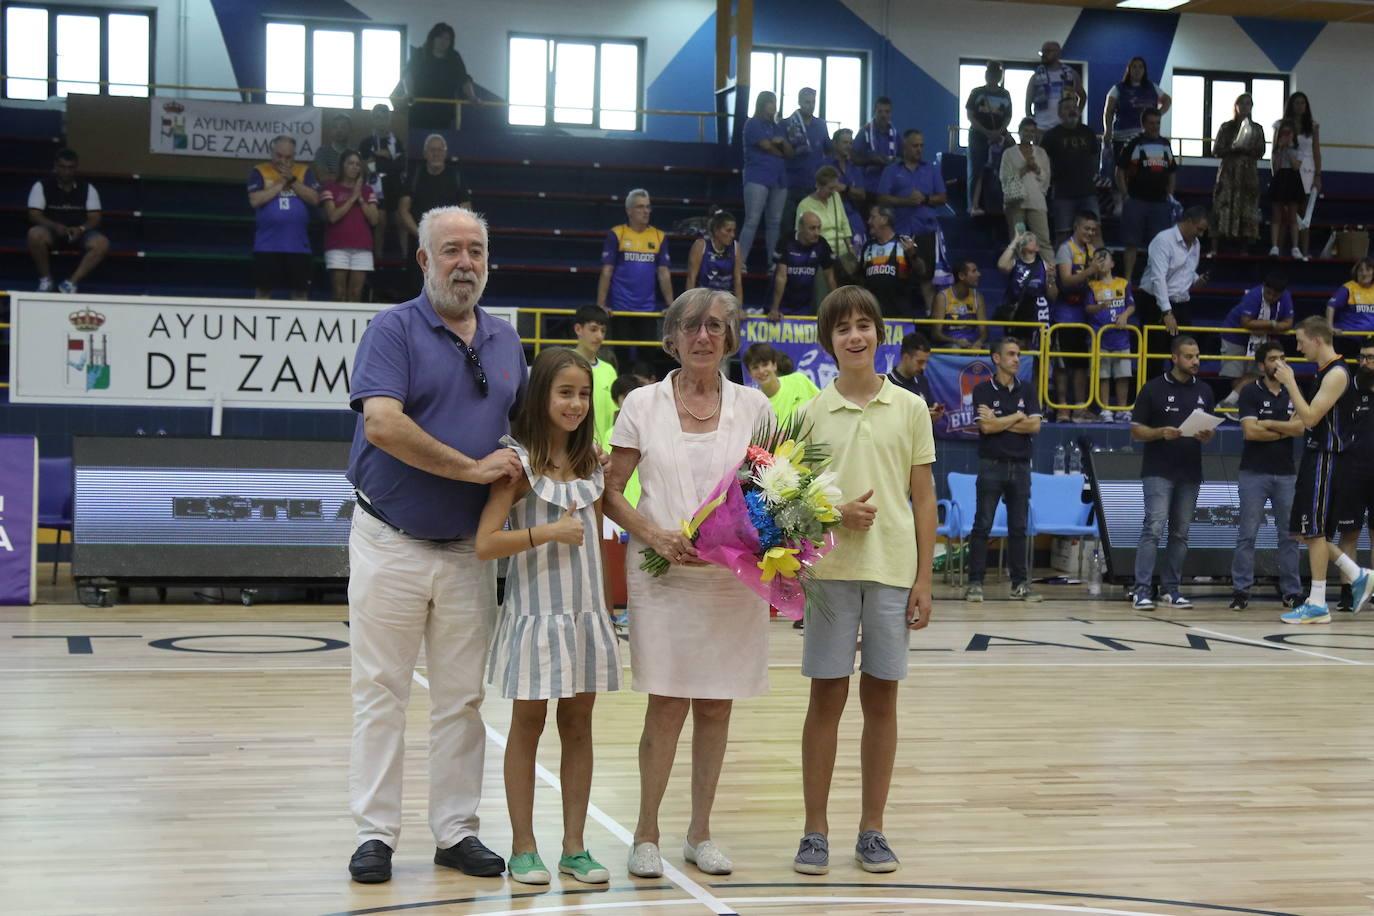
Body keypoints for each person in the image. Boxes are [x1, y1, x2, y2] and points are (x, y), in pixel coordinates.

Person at [344, 206, 527, 885]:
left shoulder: (508, 342)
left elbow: (531, 435)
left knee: (461, 699)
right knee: (381, 691)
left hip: (465, 551)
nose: (466, 263)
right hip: (389, 540)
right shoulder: (392, 330)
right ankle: (374, 834)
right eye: (451, 250)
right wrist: (471, 469)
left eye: (476, 250)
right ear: (423, 260)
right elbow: (384, 425)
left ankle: (455, 831)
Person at [603, 288, 774, 880]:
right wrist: (653, 534)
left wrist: (752, 542)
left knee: (717, 707)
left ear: (730, 338)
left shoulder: (756, 406)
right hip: (663, 578)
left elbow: (772, 493)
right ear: (671, 338)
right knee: (667, 703)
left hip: (732, 582)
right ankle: (645, 833)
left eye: (717, 326)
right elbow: (611, 490)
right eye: (692, 326)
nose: (704, 336)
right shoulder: (642, 405)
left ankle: (700, 832)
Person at [793, 285, 936, 877]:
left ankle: (872, 830)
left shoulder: (910, 408)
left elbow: (923, 498)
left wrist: (925, 579)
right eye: (844, 327)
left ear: (880, 332)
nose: (856, 335)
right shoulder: (807, 413)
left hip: (891, 571)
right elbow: (790, 505)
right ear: (828, 342)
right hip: (828, 574)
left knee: (883, 700)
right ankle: (815, 831)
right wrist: (834, 515)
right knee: (826, 698)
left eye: (865, 325)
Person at [475, 347, 621, 887]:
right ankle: (523, 846)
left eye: (584, 394)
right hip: (535, 617)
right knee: (528, 726)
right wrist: (545, 533)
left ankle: (575, 848)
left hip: (586, 616)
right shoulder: (516, 463)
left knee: (579, 727)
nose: (577, 403)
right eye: (566, 392)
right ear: (541, 396)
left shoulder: (591, 463)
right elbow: (486, 544)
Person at [1274, 316, 1371, 624]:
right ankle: (1356, 575)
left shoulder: (1337, 373)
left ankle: (1319, 602)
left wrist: (1289, 383)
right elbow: (1306, 421)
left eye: (1301, 341)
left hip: (1328, 458)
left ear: (1317, 340)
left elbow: (1311, 418)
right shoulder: (1325, 373)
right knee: (1309, 532)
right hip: (1317, 455)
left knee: (1314, 530)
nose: (1298, 347)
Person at [1129, 335, 1216, 610]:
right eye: (1189, 357)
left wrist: (1206, 435)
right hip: (1159, 469)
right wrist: (1160, 433)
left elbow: (1210, 431)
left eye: (1198, 356)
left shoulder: (1204, 391)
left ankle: (1171, 589)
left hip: (1190, 470)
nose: (1195, 362)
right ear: (1174, 358)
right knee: (1154, 528)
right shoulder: (1153, 388)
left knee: (1180, 533)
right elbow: (1136, 430)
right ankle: (1141, 590)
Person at [965, 336, 1042, 602]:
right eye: (1010, 354)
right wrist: (1017, 417)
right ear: (996, 359)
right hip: (992, 465)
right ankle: (975, 583)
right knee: (982, 525)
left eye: (1018, 354)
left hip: (1021, 466)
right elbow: (985, 428)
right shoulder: (982, 390)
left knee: (1018, 527)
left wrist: (1001, 421)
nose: (1016, 359)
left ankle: (1020, 584)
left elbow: (1035, 427)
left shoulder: (1028, 390)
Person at [1230, 342, 1304, 612]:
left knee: (1289, 536)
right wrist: (1286, 429)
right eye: (1274, 358)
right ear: (1261, 365)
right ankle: (1241, 590)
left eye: (1283, 357)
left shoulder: (1293, 390)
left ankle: (1292, 591)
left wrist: (1270, 424)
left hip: (1286, 473)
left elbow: (1300, 428)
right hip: (1254, 472)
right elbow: (1250, 432)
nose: (1280, 362)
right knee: (1247, 535)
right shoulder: (1250, 391)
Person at [876, 130, 946, 312]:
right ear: (904, 147)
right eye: (915, 146)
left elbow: (942, 197)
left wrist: (924, 199)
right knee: (900, 279)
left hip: (926, 232)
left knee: (927, 280)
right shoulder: (892, 170)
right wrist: (906, 201)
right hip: (900, 233)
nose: (919, 149)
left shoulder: (931, 169)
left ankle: (932, 324)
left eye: (922, 145)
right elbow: (882, 198)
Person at [247, 135, 321, 300]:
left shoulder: (303, 171)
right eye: (279, 156)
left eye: (288, 157)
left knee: (300, 293)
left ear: (294, 155)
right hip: (267, 245)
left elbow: (315, 199)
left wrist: (292, 181)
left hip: (298, 245)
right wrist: (280, 183)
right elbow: (255, 200)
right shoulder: (260, 171)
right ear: (272, 153)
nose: (283, 161)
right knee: (263, 292)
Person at [1330, 338, 1374, 614]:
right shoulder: (1347, 389)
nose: (1365, 362)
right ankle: (1348, 590)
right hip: (1351, 470)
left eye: (1370, 357)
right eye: (1362, 357)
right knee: (1350, 532)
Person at [1138, 207, 1209, 376]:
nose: (1200, 234)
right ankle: (1151, 399)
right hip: (1155, 302)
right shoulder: (1163, 240)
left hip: (1182, 304)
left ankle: (1180, 396)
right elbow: (1158, 278)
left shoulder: (1196, 244)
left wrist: (1197, 281)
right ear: (1189, 221)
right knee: (1154, 356)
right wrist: (1166, 311)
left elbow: (1187, 271)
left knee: (1185, 354)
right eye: (1199, 229)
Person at [27, 148, 108, 293]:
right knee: (34, 234)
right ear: (56, 167)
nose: (66, 172)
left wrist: (81, 229)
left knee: (102, 243)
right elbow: (34, 214)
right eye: (63, 167)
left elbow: (95, 218)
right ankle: (46, 280)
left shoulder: (88, 188)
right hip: (52, 232)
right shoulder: (41, 186)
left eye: (70, 168)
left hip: (80, 234)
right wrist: (54, 226)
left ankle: (71, 283)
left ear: (76, 168)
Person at [1116, 108, 1178, 283]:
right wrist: (1125, 195)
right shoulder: (1133, 143)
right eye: (1151, 123)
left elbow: (1172, 172)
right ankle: (1127, 280)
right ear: (1143, 124)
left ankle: (1155, 281)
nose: (1155, 126)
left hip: (1160, 203)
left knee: (1159, 246)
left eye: (1158, 123)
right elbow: (1119, 170)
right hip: (1136, 200)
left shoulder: (1165, 144)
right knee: (1131, 244)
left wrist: (1170, 196)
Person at [597, 189, 674, 328]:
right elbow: (607, 270)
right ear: (629, 211)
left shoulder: (659, 236)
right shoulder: (617, 234)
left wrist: (671, 305)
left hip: (648, 310)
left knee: (647, 350)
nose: (646, 211)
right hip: (620, 308)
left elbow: (664, 273)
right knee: (622, 350)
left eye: (648, 207)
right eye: (640, 207)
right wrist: (601, 305)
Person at [1053, 211, 1101, 422]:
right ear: (1076, 228)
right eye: (1086, 228)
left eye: (1093, 229)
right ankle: (1063, 408)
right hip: (1064, 314)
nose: (1090, 233)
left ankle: (1080, 408)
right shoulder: (1066, 249)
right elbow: (1065, 281)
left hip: (1084, 317)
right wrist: (1089, 271)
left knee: (1081, 365)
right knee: (1062, 365)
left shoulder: (1092, 250)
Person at [399, 134, 473, 262]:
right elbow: (403, 210)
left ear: (445, 153)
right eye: (432, 150)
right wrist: (421, 235)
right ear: (425, 153)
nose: (436, 153)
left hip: (449, 246)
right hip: (419, 245)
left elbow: (466, 212)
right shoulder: (414, 176)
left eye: (439, 150)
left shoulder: (456, 177)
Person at [739, 91, 790, 270]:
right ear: (762, 104)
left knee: (775, 222)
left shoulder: (777, 127)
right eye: (770, 102)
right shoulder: (752, 124)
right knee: (752, 220)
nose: (774, 106)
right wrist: (779, 148)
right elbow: (767, 146)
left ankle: (773, 262)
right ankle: (740, 261)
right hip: (757, 177)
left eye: (775, 102)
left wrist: (781, 145)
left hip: (779, 179)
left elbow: (788, 152)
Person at [321, 150, 380, 302]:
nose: (354, 167)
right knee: (339, 293)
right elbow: (333, 216)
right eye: (350, 163)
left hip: (362, 247)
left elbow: (374, 220)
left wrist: (359, 198)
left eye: (357, 164)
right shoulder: (330, 188)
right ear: (342, 165)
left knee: (356, 294)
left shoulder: (367, 191)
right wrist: (352, 198)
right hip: (337, 246)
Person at [1211, 93, 1265, 255]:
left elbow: (1261, 151)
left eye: (1249, 103)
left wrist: (1247, 149)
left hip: (1248, 172)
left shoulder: (1257, 128)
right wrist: (1232, 149)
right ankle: (1215, 247)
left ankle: (1244, 247)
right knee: (1222, 204)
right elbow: (1216, 150)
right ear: (1236, 106)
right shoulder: (1226, 127)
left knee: (1247, 207)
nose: (1245, 106)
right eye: (1242, 103)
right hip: (1229, 171)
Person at [1084, 249, 1135, 421]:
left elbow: (1131, 305)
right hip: (1100, 338)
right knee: (1102, 376)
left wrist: (1125, 315)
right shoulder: (1092, 286)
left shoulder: (1123, 283)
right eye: (1097, 259)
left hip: (1121, 338)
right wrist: (1099, 307)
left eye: (1104, 258)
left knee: (1123, 375)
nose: (1101, 262)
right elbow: (1088, 308)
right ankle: (1105, 408)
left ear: (1112, 263)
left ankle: (1122, 409)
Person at [1218, 274, 1294, 388]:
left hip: (1262, 339)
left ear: (1282, 293)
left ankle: (1234, 401)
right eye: (1268, 293)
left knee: (1259, 374)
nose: (1271, 297)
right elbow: (1246, 322)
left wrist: (1263, 328)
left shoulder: (1286, 296)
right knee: (1235, 375)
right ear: (1264, 287)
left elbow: (1288, 323)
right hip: (1235, 336)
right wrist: (1272, 324)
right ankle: (1231, 402)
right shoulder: (1253, 295)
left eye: (1276, 295)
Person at [1041, 98, 1100, 243]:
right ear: (1060, 113)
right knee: (1063, 234)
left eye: (1075, 107)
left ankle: (1100, 265)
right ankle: (1063, 266)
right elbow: (1043, 161)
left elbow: (1095, 157)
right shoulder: (1050, 136)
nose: (1072, 110)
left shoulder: (1088, 132)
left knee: (1095, 232)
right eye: (1067, 108)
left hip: (1087, 191)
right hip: (1062, 192)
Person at [796, 165, 858, 300]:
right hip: (820, 257)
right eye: (830, 188)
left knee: (844, 298)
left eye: (835, 187)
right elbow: (799, 234)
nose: (833, 191)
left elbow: (844, 223)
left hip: (841, 255)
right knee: (824, 297)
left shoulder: (835, 197)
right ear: (818, 185)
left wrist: (850, 247)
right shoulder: (805, 205)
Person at [402, 23, 475, 131]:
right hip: (419, 108)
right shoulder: (419, 54)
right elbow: (408, 74)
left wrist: (472, 97)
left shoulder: (454, 58)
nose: (443, 41)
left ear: (451, 42)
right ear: (433, 38)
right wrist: (409, 93)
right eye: (440, 37)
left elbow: (464, 79)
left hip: (444, 110)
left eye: (447, 39)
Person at [359, 104, 408, 260]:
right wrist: (386, 157)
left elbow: (400, 166)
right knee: (381, 221)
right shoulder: (366, 143)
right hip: (375, 187)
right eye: (378, 117)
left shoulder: (396, 142)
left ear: (389, 119)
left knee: (402, 220)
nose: (381, 121)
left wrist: (378, 158)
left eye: (384, 117)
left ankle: (406, 257)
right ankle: (377, 258)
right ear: (373, 119)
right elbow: (367, 167)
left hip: (394, 185)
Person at [964, 61, 1013, 216]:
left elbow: (1008, 116)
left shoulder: (1005, 94)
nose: (992, 76)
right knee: (976, 169)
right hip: (978, 136)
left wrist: (999, 131)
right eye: (990, 73)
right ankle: (973, 206)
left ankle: (999, 205)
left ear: (1000, 76)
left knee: (999, 170)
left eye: (995, 73)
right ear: (986, 75)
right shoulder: (976, 92)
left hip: (998, 135)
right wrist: (986, 132)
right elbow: (970, 115)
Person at [1277, 91, 1322, 257]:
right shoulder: (1281, 124)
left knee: (1304, 214)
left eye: (1303, 103)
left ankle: (1304, 252)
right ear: (1291, 105)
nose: (1300, 106)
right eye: (1296, 103)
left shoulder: (1313, 125)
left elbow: (1316, 151)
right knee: (1285, 213)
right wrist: (1276, 174)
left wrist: (1318, 175)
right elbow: (1276, 150)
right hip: (1287, 169)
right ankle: (1280, 251)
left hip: (1308, 170)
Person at [1103, 56, 1171, 166]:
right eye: (1134, 67)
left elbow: (1167, 100)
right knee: (1122, 170)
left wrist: (1158, 114)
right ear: (1129, 70)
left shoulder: (1152, 87)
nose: (1137, 70)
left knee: (1146, 172)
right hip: (1122, 138)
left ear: (1144, 70)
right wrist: (1108, 131)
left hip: (1147, 138)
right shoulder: (1118, 88)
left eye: (1140, 67)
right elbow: (1108, 111)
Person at [999, 118, 1052, 254]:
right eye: (1026, 130)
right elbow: (1004, 178)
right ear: (1019, 131)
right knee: (1018, 240)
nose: (1029, 134)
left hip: (1037, 202)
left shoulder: (1041, 153)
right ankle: (1019, 272)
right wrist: (1024, 169)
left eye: (1032, 131)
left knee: (1043, 241)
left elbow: (1046, 178)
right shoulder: (1009, 153)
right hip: (1016, 204)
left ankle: (1049, 273)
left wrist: (1036, 168)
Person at [782, 87, 831, 235]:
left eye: (813, 102)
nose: (810, 105)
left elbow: (828, 148)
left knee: (812, 226)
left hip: (813, 184)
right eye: (806, 102)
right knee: (788, 226)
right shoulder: (787, 124)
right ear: (799, 102)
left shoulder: (821, 125)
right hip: (791, 183)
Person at [997, 231, 1057, 351]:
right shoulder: (1015, 263)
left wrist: (1051, 279)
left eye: (1031, 239)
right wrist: (1015, 241)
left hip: (1037, 312)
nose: (1028, 239)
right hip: (1017, 310)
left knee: (1037, 351)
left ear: (1037, 247)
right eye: (1025, 239)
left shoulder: (1045, 266)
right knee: (1016, 348)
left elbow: (1053, 296)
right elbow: (1002, 266)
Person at [770, 211, 835, 320]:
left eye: (819, 228)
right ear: (801, 228)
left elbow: (830, 278)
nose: (817, 232)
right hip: (781, 302)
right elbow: (781, 277)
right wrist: (775, 308)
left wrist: (837, 306)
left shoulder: (822, 244)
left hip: (804, 306)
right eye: (812, 228)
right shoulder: (786, 241)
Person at [860, 206, 922, 319]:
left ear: (884, 220)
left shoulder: (905, 243)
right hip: (873, 314)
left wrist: (912, 254)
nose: (869, 221)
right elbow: (861, 278)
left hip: (901, 314)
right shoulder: (867, 247)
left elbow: (922, 271)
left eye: (872, 217)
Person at [572, 305, 618, 449]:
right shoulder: (564, 365)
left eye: (603, 331)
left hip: (603, 454)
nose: (599, 336)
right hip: (572, 451)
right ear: (578, 329)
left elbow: (615, 414)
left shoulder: (609, 370)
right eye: (593, 329)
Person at [743, 342, 820, 423]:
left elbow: (823, 405)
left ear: (774, 365)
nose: (761, 371)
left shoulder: (799, 380)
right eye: (755, 367)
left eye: (765, 365)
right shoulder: (754, 407)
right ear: (750, 373)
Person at [825, 128, 868, 260]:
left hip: (853, 219)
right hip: (831, 218)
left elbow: (862, 195)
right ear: (835, 144)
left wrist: (844, 188)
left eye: (850, 143)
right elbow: (826, 190)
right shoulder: (825, 165)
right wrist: (850, 191)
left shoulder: (855, 168)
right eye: (845, 142)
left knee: (857, 261)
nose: (848, 146)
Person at [886, 332, 946, 423]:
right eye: (920, 362)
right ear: (906, 358)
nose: (923, 367)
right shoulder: (886, 384)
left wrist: (933, 416)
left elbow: (928, 417)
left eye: (926, 362)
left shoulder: (922, 381)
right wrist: (920, 418)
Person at [687, 209, 744, 303]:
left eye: (734, 231)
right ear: (716, 231)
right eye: (728, 231)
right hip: (703, 299)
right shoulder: (701, 245)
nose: (733, 235)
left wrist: (739, 307)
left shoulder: (736, 247)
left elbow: (738, 280)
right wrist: (689, 305)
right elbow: (691, 278)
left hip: (725, 300)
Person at [1269, 120, 1306, 260]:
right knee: (1277, 215)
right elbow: (1276, 167)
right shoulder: (1277, 149)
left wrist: (1289, 149)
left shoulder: (1298, 148)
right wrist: (1279, 149)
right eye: (1283, 133)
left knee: (1292, 216)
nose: (1286, 135)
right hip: (1280, 178)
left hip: (1292, 179)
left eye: (1288, 133)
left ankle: (1295, 247)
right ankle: (1274, 247)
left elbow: (1296, 166)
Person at [1026, 41, 1084, 132]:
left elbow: (1083, 96)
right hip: (1041, 128)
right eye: (1042, 52)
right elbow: (1028, 102)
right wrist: (1032, 125)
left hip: (1065, 127)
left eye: (1048, 51)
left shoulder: (1070, 74)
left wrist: (1076, 114)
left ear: (1058, 53)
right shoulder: (1036, 77)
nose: (1044, 54)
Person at [930, 259, 986, 350]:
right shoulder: (942, 297)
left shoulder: (978, 297)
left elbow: (984, 331)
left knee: (990, 349)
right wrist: (955, 341)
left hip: (972, 343)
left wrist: (979, 342)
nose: (979, 274)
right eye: (974, 271)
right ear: (961, 276)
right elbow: (936, 334)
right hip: (951, 344)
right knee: (955, 348)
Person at [1326, 258, 1374, 358]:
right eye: (1361, 270)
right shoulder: (1348, 288)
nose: (1364, 273)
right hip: (1349, 339)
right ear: (1356, 273)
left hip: (1371, 340)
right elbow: (1331, 306)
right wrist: (1329, 327)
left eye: (1368, 270)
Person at [853, 96, 899, 195]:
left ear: (891, 113)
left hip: (890, 188)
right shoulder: (864, 132)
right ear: (874, 112)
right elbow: (853, 158)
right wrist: (871, 160)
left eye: (887, 112)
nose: (883, 115)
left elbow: (902, 156)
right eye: (880, 111)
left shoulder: (895, 134)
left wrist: (893, 161)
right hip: (869, 187)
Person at [315, 113, 353, 183]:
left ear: (350, 130)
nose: (339, 130)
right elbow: (323, 177)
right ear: (331, 130)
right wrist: (349, 177)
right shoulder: (322, 152)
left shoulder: (354, 153)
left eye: (343, 127)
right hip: (329, 192)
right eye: (335, 127)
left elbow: (359, 178)